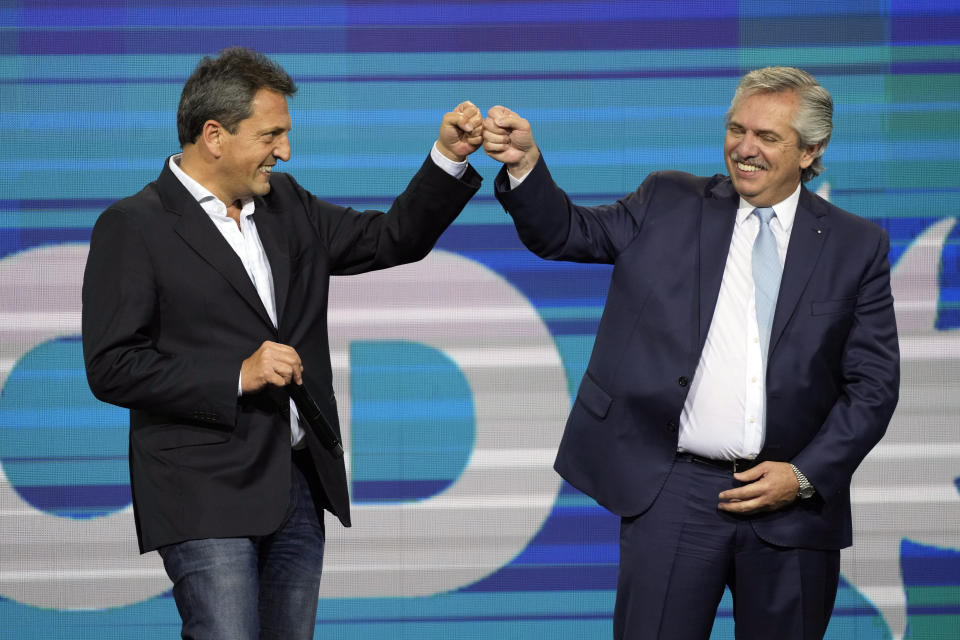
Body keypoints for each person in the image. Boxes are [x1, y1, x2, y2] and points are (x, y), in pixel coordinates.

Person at [482, 67, 899, 639]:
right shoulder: (668, 200)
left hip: (792, 506)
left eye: (768, 137)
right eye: (737, 129)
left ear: (811, 150)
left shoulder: (858, 245)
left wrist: (804, 476)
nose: (745, 149)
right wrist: (525, 165)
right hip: (674, 493)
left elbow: (873, 386)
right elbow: (565, 233)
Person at [81, 47, 483, 640]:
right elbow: (113, 366)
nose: (285, 152)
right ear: (214, 135)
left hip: (297, 482)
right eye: (272, 135)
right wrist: (235, 374)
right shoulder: (134, 226)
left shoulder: (287, 205)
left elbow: (391, 239)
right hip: (203, 489)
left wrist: (447, 159)